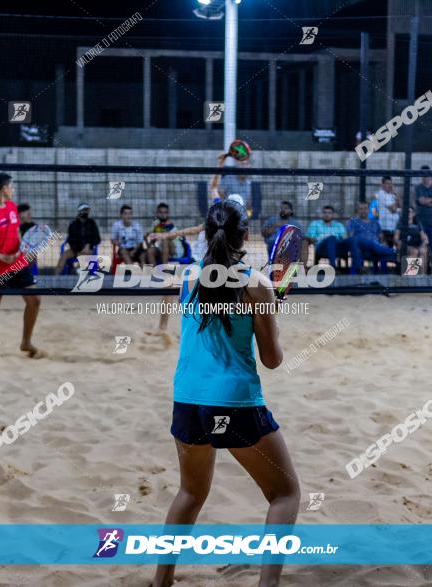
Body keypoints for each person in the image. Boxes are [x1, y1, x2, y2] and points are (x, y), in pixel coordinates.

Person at [152, 199, 298, 587]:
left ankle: (161, 581)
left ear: (204, 234)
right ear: (245, 237)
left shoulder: (187, 277)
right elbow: (272, 360)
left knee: (189, 493)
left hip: (187, 401)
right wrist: (272, 316)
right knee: (285, 495)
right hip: (234, 403)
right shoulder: (257, 284)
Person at [0, 172, 45, 359]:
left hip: (16, 262)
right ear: (4, 188)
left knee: (35, 300)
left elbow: (17, 234)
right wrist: (0, 257)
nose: (12, 189)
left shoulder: (12, 207)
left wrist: (25, 249)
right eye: (11, 186)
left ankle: (26, 342)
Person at [345, 201, 395, 274]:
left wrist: (384, 243)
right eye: (361, 209)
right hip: (361, 248)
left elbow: (381, 237)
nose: (363, 211)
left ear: (368, 210)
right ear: (358, 210)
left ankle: (388, 271)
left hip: (375, 248)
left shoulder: (375, 222)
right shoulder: (353, 221)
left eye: (365, 208)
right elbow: (350, 236)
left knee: (377, 247)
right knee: (374, 244)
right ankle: (394, 252)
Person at [55, 203, 101, 275]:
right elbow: (71, 240)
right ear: (79, 211)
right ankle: (55, 278)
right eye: (84, 210)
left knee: (85, 254)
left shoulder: (92, 223)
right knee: (63, 255)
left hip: (89, 250)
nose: (86, 212)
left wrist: (89, 244)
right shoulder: (73, 224)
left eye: (87, 210)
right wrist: (77, 250)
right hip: (75, 250)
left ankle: (77, 271)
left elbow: (97, 239)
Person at [414, 166, 432, 251]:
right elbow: (421, 201)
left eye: (426, 175)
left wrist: (430, 200)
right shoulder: (418, 188)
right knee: (420, 246)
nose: (424, 178)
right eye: (423, 175)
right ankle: (421, 264)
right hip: (421, 224)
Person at [393, 207, 430, 273]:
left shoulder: (417, 224)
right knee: (414, 251)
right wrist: (404, 246)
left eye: (409, 212)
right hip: (405, 246)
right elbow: (396, 238)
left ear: (413, 214)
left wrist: (423, 245)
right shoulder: (400, 223)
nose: (408, 214)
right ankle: (411, 277)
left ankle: (422, 277)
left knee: (423, 251)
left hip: (417, 245)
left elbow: (424, 238)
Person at [374, 176, 400, 242]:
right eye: (387, 183)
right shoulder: (381, 194)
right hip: (385, 228)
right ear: (382, 185)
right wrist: (397, 203)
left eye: (391, 183)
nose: (390, 185)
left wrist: (396, 196)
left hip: (394, 227)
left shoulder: (392, 195)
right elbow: (393, 209)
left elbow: (400, 206)